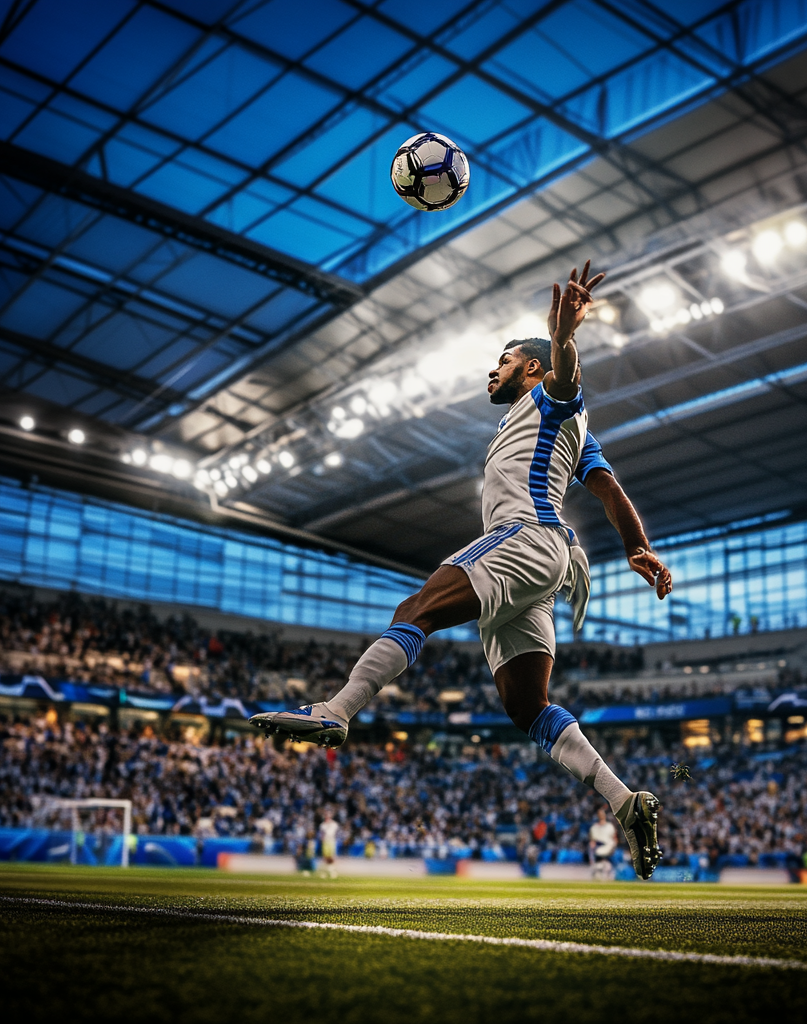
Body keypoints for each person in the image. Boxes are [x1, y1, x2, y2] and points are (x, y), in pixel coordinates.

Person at [250, 261, 673, 880]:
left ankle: (336, 711)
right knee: (528, 707)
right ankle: (624, 800)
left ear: (532, 367)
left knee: (413, 610)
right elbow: (608, 488)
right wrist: (638, 545)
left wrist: (562, 339)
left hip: (523, 539)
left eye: (504, 360)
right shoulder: (564, 430)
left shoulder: (553, 399)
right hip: (542, 561)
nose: (491, 371)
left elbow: (567, 379)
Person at [588, 806, 618, 881]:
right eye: (599, 814)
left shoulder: (610, 826)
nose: (601, 815)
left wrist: (613, 847)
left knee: (607, 866)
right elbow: (592, 842)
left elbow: (614, 839)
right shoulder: (594, 827)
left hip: (607, 848)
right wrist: (592, 853)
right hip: (598, 849)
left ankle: (608, 874)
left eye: (602, 814)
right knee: (598, 868)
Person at [318, 809, 339, 879]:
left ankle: (333, 872)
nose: (327, 816)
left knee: (331, 857)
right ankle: (325, 872)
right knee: (325, 858)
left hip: (332, 841)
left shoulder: (334, 824)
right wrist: (322, 839)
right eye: (326, 815)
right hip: (325, 842)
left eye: (328, 814)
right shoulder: (322, 825)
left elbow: (336, 834)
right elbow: (321, 835)